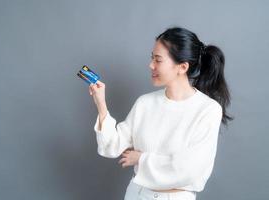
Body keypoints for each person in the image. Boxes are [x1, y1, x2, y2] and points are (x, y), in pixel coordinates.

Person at [89, 27, 233, 200]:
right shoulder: (145, 103)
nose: (151, 65)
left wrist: (141, 159)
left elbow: (190, 169)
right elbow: (112, 147)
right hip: (137, 194)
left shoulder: (208, 109)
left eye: (158, 60)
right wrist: (101, 103)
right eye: (152, 58)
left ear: (182, 67)